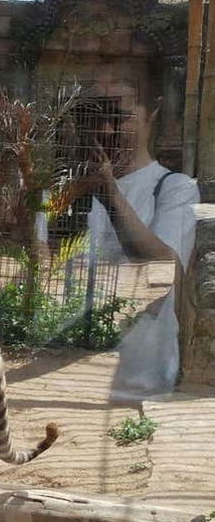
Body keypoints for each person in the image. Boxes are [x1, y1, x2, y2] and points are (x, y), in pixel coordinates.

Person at [84, 91, 199, 401]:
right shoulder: (71, 191)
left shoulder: (174, 188)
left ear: (152, 114)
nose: (105, 130)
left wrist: (111, 196)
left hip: (141, 379)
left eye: (119, 117)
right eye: (96, 118)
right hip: (72, 371)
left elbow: (166, 270)